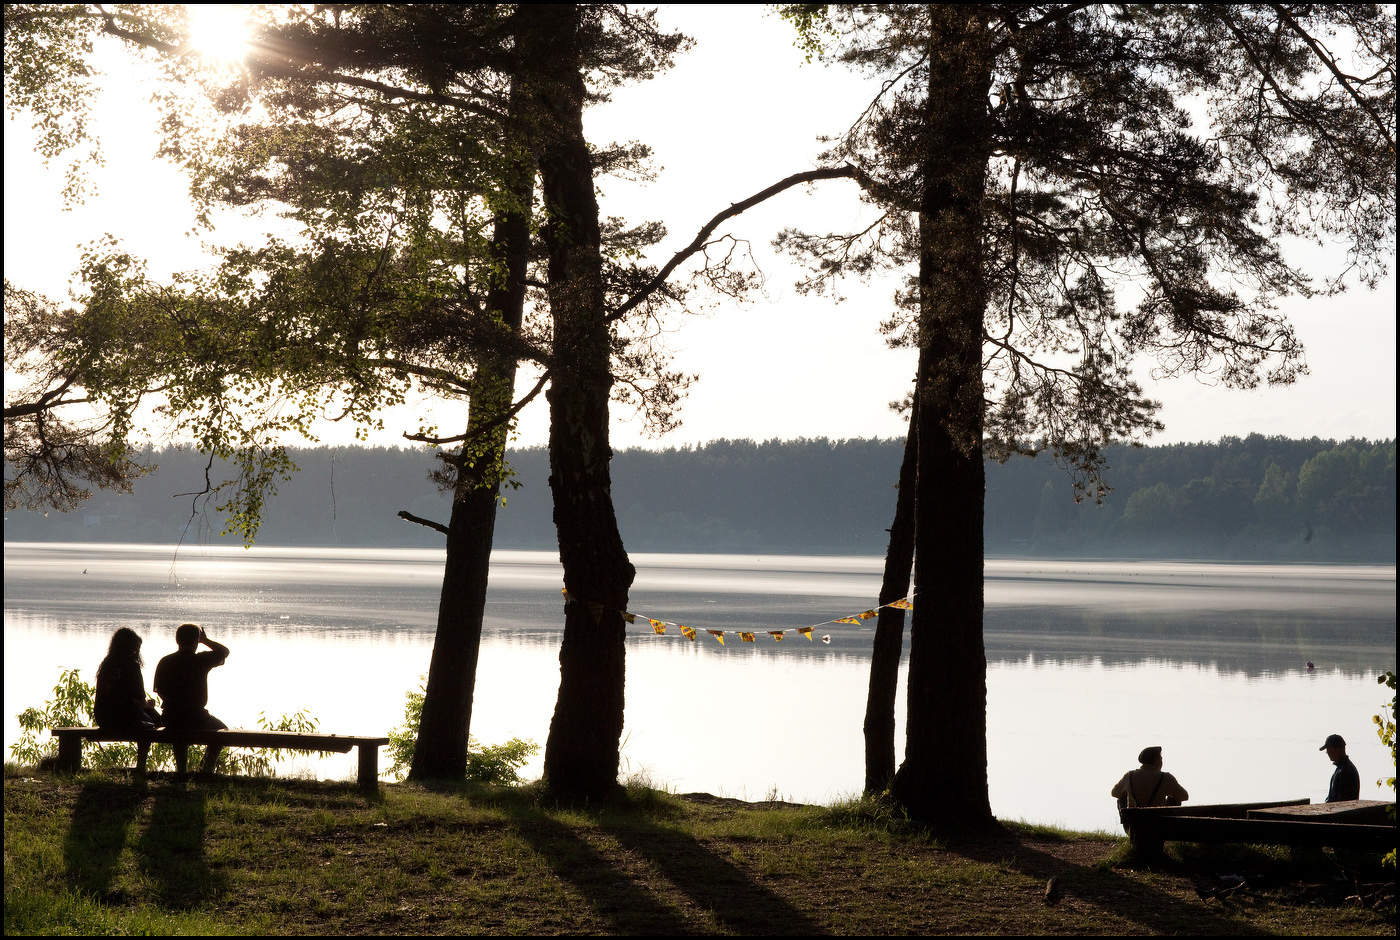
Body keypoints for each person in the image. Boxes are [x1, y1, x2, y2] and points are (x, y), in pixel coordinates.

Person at [153, 623, 230, 776]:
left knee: (179, 737)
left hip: (170, 716)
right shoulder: (201, 660)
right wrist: (206, 641)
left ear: (177, 640)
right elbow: (224, 652)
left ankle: (182, 771)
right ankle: (205, 770)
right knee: (223, 732)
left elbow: (158, 690)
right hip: (196, 716)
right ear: (196, 641)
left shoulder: (165, 661)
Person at [94, 627, 163, 771]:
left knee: (151, 717)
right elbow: (138, 700)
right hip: (124, 718)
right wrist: (148, 706)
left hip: (103, 717)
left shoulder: (107, 665)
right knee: (154, 724)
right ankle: (141, 765)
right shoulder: (132, 666)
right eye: (135, 649)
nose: (137, 653)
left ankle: (141, 766)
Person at [1111, 745, 1190, 810]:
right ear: (1156, 760)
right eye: (1161, 759)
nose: (1162, 762)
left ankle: (1128, 826)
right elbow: (1184, 796)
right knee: (1175, 798)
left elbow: (1114, 793)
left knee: (1122, 797)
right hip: (1158, 822)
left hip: (1134, 823)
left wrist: (1130, 795)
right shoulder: (1166, 778)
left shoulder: (1129, 776)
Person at [1319, 733, 1360, 802]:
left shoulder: (1345, 771)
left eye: (1329, 749)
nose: (1327, 752)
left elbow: (1341, 801)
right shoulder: (1342, 768)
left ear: (1338, 749)